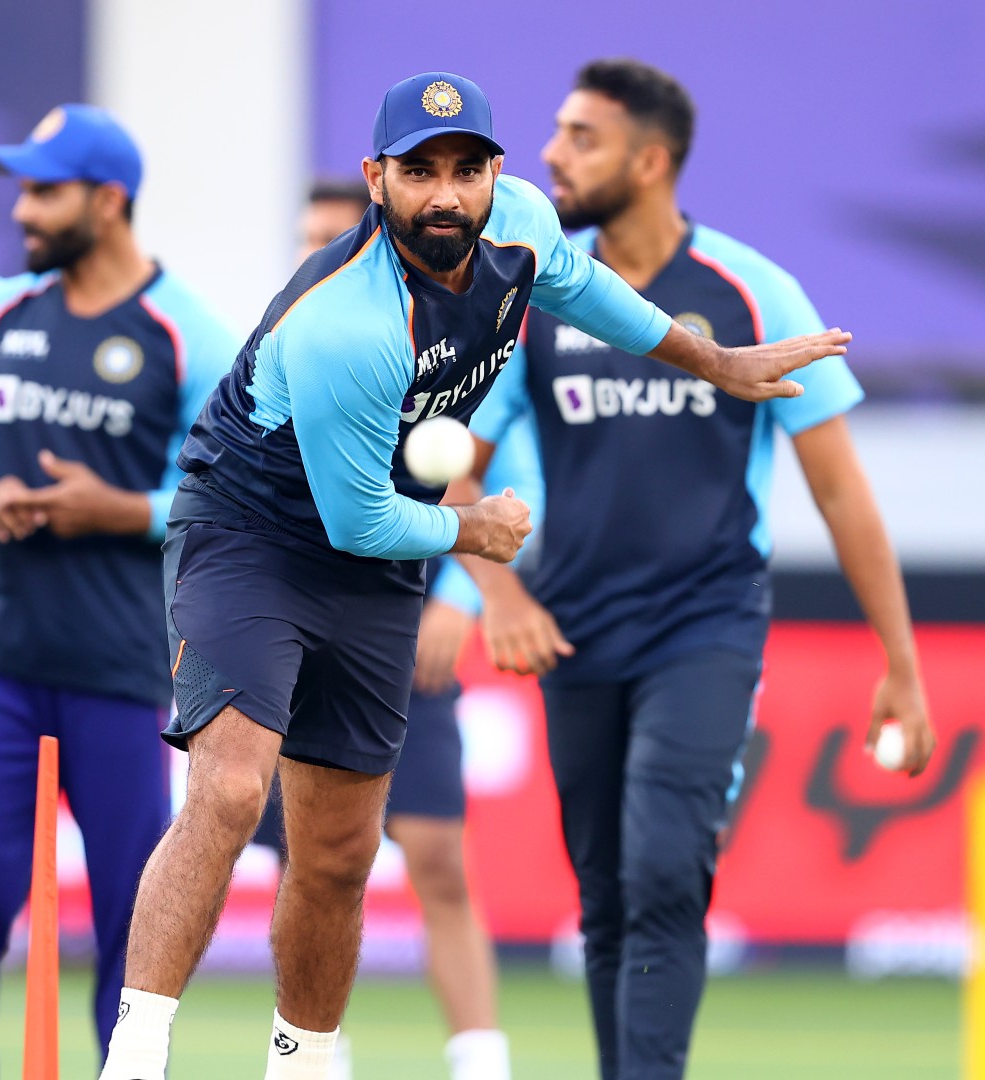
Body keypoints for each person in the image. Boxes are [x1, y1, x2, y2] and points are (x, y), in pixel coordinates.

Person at [97, 71, 852, 1080]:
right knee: (232, 793)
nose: (446, 195)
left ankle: (301, 1062)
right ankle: (136, 1054)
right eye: (419, 173)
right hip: (254, 538)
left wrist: (715, 363)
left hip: (375, 556)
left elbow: (590, 294)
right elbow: (358, 520)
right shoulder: (349, 321)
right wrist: (473, 531)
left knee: (339, 852)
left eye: (466, 169)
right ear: (376, 180)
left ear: (496, 173)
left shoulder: (522, 223)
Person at [462, 59, 937, 1080]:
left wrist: (900, 663)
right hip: (574, 631)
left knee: (665, 868)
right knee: (606, 898)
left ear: (650, 161)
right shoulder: (534, 299)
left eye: (581, 137)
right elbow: (456, 470)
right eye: (558, 132)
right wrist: (499, 593)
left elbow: (842, 494)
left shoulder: (751, 292)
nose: (550, 154)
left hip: (705, 627)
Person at [0, 104, 234, 1079]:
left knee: (137, 914)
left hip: (124, 672)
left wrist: (121, 510)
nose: (23, 212)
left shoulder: (188, 334)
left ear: (108, 200)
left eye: (45, 192)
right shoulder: (2, 316)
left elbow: (232, 500)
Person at [251, 180, 543, 1080]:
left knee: (439, 859)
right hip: (295, 633)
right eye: (306, 238)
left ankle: (481, 1062)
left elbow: (495, 483)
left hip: (402, 634)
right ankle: (317, 1056)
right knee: (311, 865)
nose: (319, 253)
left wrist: (461, 601)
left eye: (333, 235)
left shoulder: (464, 344)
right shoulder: (293, 340)